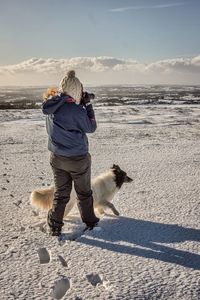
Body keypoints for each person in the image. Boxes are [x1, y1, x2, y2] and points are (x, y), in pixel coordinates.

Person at [42, 70, 99, 236]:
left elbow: (65, 111)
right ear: (77, 90)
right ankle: (90, 222)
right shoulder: (76, 110)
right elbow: (91, 127)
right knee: (83, 193)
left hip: (57, 157)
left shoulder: (51, 106)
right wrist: (87, 105)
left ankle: (55, 225)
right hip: (78, 159)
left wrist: (78, 103)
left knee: (61, 193)